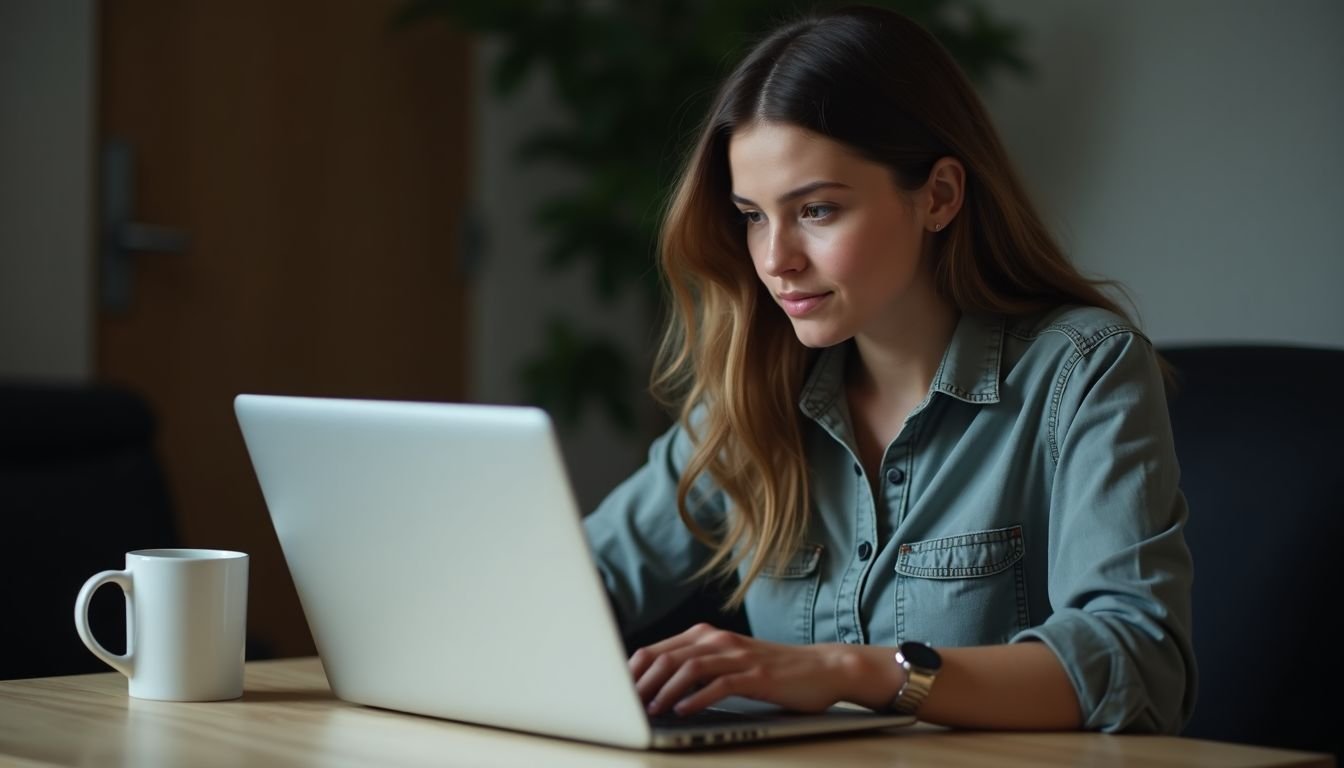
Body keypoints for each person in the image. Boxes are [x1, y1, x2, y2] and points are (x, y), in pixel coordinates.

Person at [583, 5, 1195, 734]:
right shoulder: (756, 394)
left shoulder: (1083, 373)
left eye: (815, 210)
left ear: (938, 195)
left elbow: (1134, 662)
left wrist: (849, 670)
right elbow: (580, 579)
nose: (775, 259)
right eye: (752, 215)